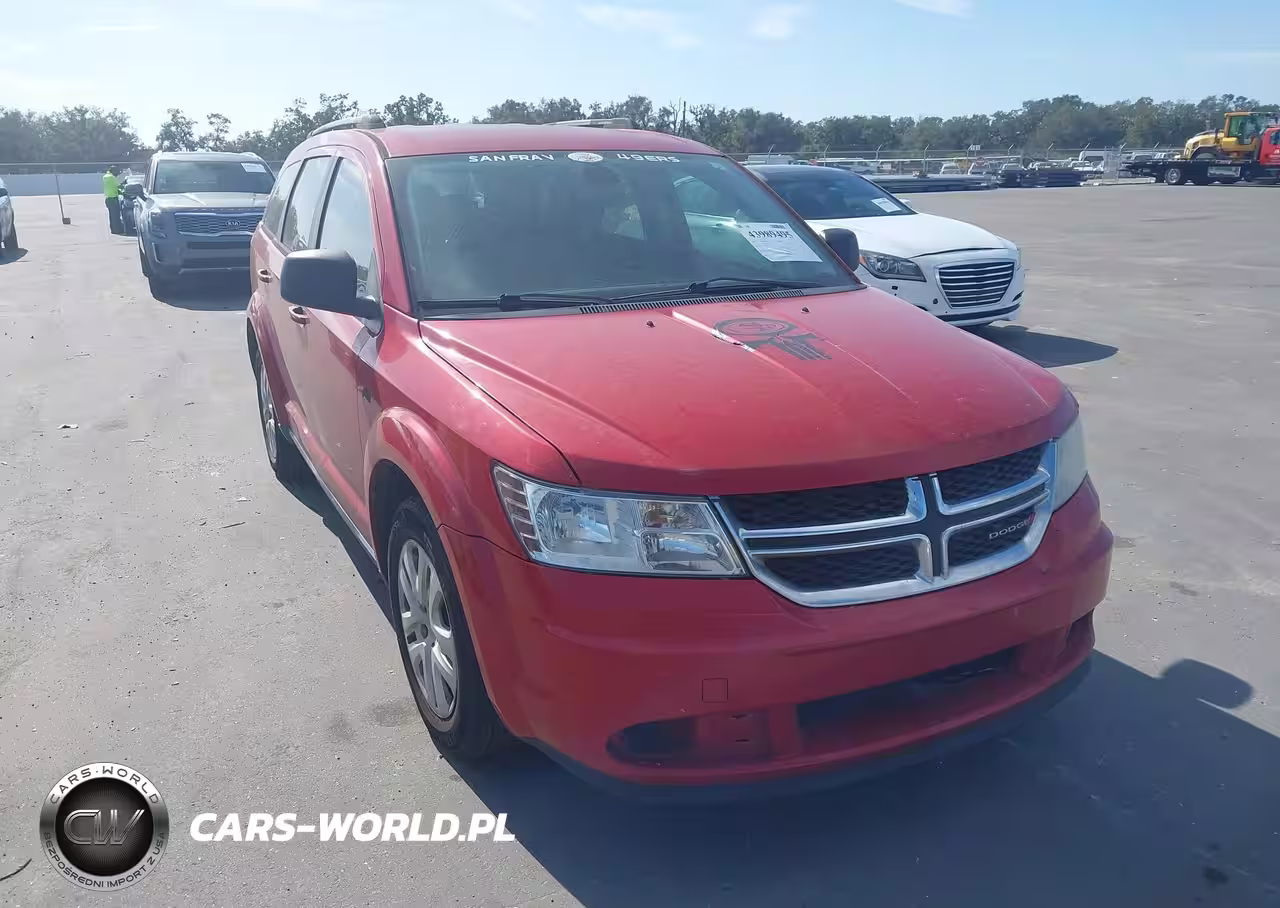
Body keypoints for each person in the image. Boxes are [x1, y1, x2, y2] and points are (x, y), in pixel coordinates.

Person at [102, 165, 124, 235]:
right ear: (113, 171)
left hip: (108, 198)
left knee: (112, 216)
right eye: (117, 171)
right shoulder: (111, 177)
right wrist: (124, 184)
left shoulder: (106, 176)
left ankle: (114, 230)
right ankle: (117, 230)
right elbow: (119, 186)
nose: (118, 173)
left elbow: (113, 187)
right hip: (113, 198)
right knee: (116, 216)